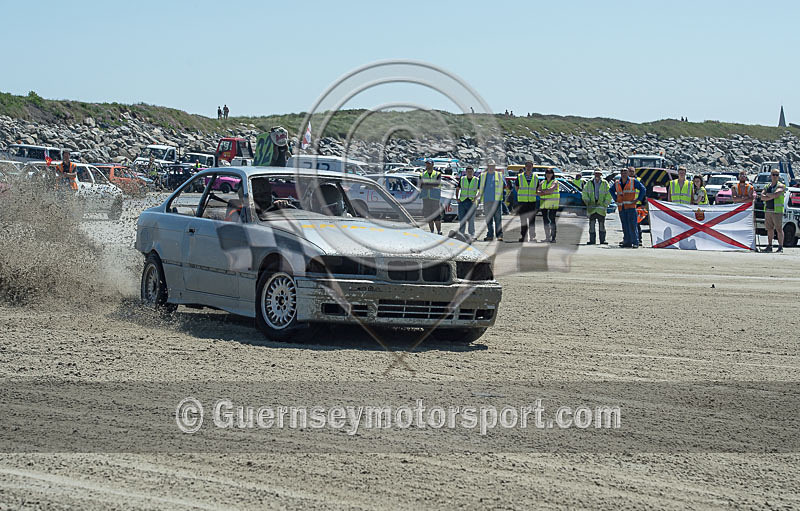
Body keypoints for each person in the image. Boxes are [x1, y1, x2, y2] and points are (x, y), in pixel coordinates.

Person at [610, 166, 646, 248]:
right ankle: (627, 242)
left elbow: (643, 189)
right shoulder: (617, 183)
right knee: (625, 225)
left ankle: (635, 242)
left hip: (631, 207)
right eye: (622, 173)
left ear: (628, 174)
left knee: (633, 225)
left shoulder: (633, 181)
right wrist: (615, 198)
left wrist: (638, 199)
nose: (623, 174)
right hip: (621, 208)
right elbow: (611, 190)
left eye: (625, 173)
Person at [581, 169, 612, 244]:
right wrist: (587, 201)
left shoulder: (605, 183)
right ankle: (592, 241)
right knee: (591, 225)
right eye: (596, 174)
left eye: (599, 174)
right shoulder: (589, 183)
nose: (597, 175)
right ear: (594, 174)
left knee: (602, 225)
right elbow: (584, 193)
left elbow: (609, 194)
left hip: (601, 208)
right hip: (592, 208)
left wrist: (605, 204)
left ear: (601, 175)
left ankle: (602, 240)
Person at [761, 170, 785, 252]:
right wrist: (770, 196)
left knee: (779, 229)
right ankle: (769, 245)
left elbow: (776, 194)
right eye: (773, 174)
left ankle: (780, 246)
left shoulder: (781, 185)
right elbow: (762, 196)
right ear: (770, 175)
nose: (775, 176)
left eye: (777, 175)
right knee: (769, 229)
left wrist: (768, 196)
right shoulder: (767, 186)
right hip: (768, 210)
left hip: (777, 211)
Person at [479, 161, 504, 241]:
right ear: (487, 166)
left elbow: (505, 185)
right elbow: (479, 187)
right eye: (490, 166)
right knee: (488, 219)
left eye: (493, 166)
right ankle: (490, 235)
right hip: (487, 201)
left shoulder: (499, 175)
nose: (491, 167)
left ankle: (499, 235)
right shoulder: (482, 176)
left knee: (498, 219)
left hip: (497, 201)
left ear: (495, 166)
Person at [515, 161, 539, 242]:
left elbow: (537, 188)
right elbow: (517, 187)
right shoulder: (520, 176)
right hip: (522, 201)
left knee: (532, 220)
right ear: (525, 167)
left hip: (532, 201)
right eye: (527, 166)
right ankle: (523, 236)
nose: (529, 167)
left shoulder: (535, 177)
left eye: (530, 166)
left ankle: (532, 236)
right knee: (523, 220)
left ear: (532, 167)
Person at [536, 167, 560, 243]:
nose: (548, 174)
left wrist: (542, 192)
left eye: (550, 173)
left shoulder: (555, 182)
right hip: (544, 204)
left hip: (552, 204)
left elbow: (551, 190)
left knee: (552, 220)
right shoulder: (542, 182)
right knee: (545, 221)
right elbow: (537, 191)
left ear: (553, 174)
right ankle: (547, 237)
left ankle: (553, 238)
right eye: (547, 173)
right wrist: (544, 192)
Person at [419, 160, 443, 234]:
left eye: (429, 164)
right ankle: (432, 231)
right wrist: (430, 185)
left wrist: (427, 185)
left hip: (435, 197)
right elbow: (421, 185)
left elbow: (437, 183)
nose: (428, 165)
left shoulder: (437, 174)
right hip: (426, 197)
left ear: (432, 165)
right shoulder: (422, 174)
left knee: (437, 216)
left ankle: (439, 231)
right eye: (427, 164)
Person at [456, 166, 478, 239]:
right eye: (468, 171)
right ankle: (461, 234)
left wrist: (476, 198)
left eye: (471, 171)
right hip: (462, 201)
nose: (469, 172)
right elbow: (458, 188)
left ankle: (472, 234)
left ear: (473, 172)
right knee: (462, 219)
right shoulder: (462, 179)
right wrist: (457, 198)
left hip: (471, 202)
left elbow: (480, 190)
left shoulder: (476, 180)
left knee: (471, 220)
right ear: (466, 172)